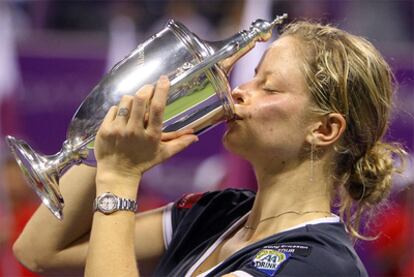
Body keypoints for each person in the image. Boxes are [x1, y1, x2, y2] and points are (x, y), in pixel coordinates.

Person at [12, 21, 405, 277]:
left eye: (268, 86)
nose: (237, 91)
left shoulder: (312, 264)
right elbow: (39, 251)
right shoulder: (218, 214)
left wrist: (120, 178)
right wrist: (110, 138)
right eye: (252, 77)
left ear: (324, 129)